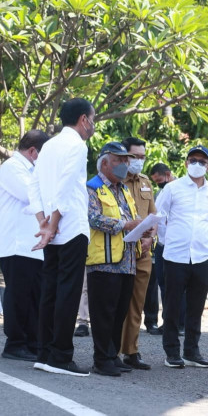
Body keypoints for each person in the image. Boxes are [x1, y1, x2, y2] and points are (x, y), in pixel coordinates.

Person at [28, 98, 95, 376]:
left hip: (52, 230)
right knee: (67, 292)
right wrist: (52, 224)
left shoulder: (50, 145)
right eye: (93, 119)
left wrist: (43, 221)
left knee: (50, 291)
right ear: (83, 119)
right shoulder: (77, 145)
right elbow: (66, 188)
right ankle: (61, 356)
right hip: (70, 227)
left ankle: (44, 353)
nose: (93, 125)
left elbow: (34, 185)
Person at [156, 145, 208, 369]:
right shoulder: (172, 189)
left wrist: (199, 241)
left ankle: (192, 351)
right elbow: (159, 218)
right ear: (185, 163)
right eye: (193, 160)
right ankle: (171, 352)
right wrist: (168, 242)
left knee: (196, 306)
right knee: (172, 305)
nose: (197, 164)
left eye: (202, 161)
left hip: (202, 256)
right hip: (175, 255)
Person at [86, 142, 142, 377]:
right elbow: (93, 218)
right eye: (119, 160)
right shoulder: (92, 188)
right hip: (104, 261)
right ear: (105, 163)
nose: (124, 165)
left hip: (127, 261)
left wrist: (144, 228)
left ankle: (112, 354)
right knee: (103, 313)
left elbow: (133, 216)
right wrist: (125, 225)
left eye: (125, 161)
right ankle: (101, 359)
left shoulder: (124, 190)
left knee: (119, 312)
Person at [0, 129, 50, 361]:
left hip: (32, 245)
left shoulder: (33, 170)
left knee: (34, 296)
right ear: (32, 151)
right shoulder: (12, 167)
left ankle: (32, 341)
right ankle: (15, 343)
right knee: (19, 295)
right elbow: (31, 195)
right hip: (16, 243)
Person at [119, 137, 156, 370]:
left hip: (143, 252)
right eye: (135, 157)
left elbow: (154, 216)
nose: (139, 162)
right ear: (125, 156)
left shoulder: (146, 183)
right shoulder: (114, 181)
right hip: (119, 251)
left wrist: (151, 238)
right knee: (117, 302)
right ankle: (111, 350)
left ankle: (131, 351)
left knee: (137, 304)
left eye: (143, 157)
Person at [144, 163, 178, 335]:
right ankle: (162, 322)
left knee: (175, 286)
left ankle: (177, 323)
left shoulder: (181, 189)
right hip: (160, 244)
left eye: (159, 180)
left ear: (167, 174)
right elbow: (156, 217)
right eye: (155, 181)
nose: (158, 183)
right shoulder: (160, 193)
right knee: (160, 285)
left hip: (176, 245)